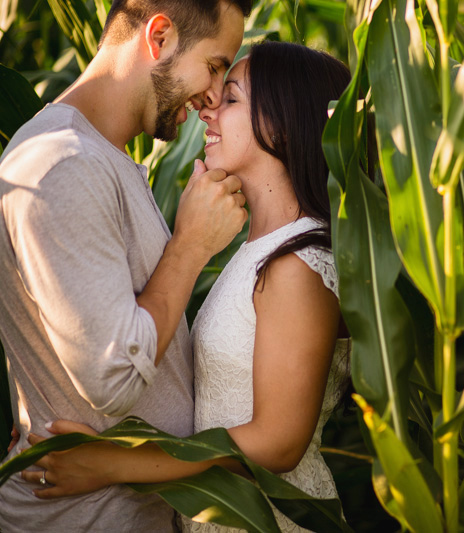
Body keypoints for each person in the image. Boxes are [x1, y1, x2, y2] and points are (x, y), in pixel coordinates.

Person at [19, 41, 353, 533]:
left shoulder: (297, 264)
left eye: (232, 97)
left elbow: (279, 441)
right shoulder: (258, 252)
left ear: (281, 126)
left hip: (270, 518)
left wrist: (109, 464)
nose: (208, 108)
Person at [0, 0, 252, 529]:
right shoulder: (63, 164)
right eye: (213, 66)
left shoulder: (99, 157)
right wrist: (191, 246)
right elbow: (113, 377)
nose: (212, 96)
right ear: (158, 36)